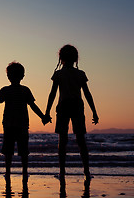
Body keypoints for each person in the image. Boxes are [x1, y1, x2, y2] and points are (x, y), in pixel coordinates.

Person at [0, 61, 51, 187]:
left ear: (8, 76)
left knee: (8, 151)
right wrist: (43, 117)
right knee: (23, 151)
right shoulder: (25, 90)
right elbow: (33, 106)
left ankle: (7, 172)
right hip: (22, 125)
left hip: (9, 125)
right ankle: (24, 172)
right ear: (23, 76)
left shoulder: (6, 90)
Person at [45, 44, 99, 182]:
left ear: (61, 58)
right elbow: (87, 94)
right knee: (81, 140)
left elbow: (52, 94)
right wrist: (94, 112)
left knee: (62, 141)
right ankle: (86, 172)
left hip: (63, 106)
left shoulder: (58, 74)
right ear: (75, 59)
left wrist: (47, 112)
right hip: (77, 106)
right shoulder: (80, 74)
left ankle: (62, 172)